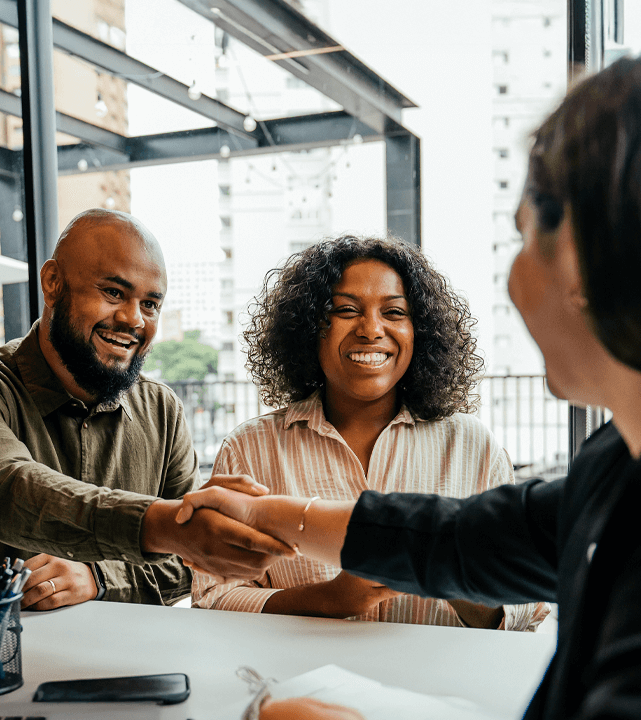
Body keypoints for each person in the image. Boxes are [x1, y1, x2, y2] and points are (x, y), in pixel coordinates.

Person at [176, 46, 641, 720]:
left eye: (522, 235)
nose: (514, 276)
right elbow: (475, 537)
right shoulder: (634, 455)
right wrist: (269, 515)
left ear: (581, 256)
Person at [0, 209, 292, 608]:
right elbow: (8, 492)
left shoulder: (162, 409)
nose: (132, 319)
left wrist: (100, 577)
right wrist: (168, 527)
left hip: (122, 661)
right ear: (53, 282)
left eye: (150, 304)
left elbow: (192, 564)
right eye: (113, 293)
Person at [193, 235, 547, 631]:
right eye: (346, 310)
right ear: (310, 327)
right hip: (294, 686)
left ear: (420, 331)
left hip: (440, 687)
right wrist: (327, 600)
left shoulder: (473, 447)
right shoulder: (250, 449)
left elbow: (524, 606)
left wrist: (441, 566)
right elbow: (213, 596)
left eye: (394, 312)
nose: (371, 329)